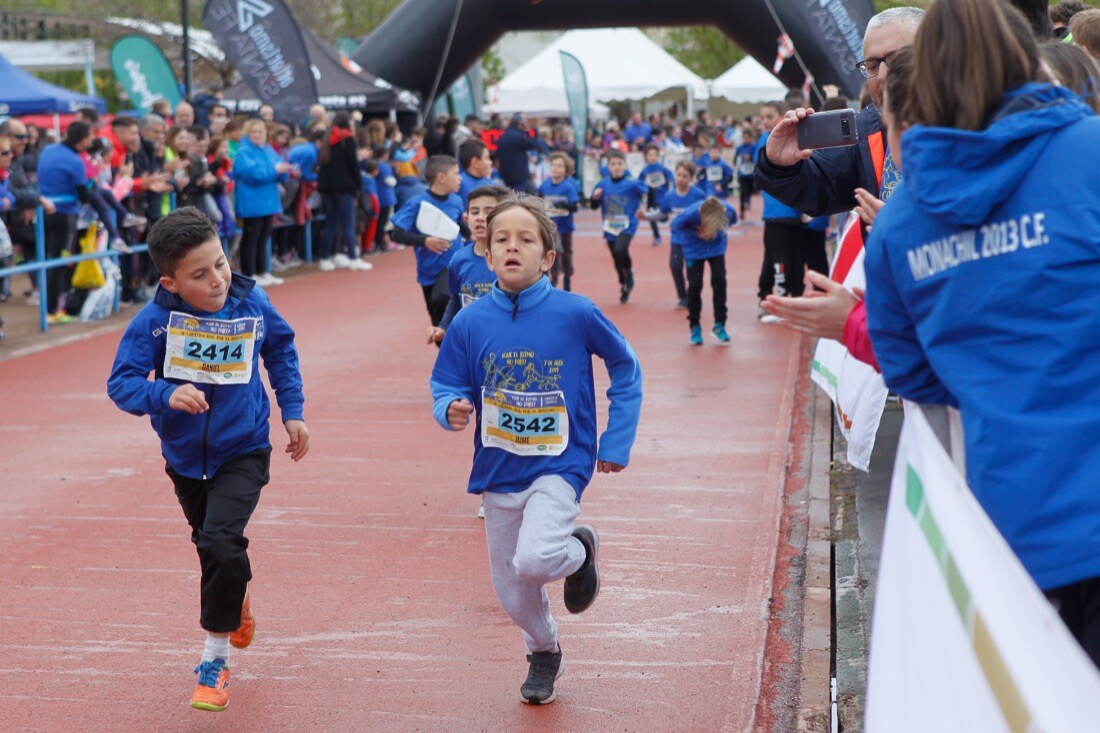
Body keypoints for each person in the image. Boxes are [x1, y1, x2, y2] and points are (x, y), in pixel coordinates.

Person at [862, 0, 1100, 667]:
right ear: (1022, 57)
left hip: (1016, 529)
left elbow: (910, 374)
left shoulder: (900, 223)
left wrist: (992, 371)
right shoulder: (1089, 153)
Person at [429, 194, 642, 705]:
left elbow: (626, 369)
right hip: (499, 468)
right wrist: (451, 408)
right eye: (501, 238)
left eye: (526, 239)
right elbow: (445, 384)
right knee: (512, 588)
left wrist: (616, 440)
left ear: (548, 257)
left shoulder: (577, 313)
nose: (512, 247)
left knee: (537, 557)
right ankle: (544, 651)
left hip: (561, 463)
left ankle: (578, 550)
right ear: (486, 253)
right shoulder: (470, 321)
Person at [107, 206, 309, 712]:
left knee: (220, 539)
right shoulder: (154, 323)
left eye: (220, 263)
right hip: (184, 458)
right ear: (170, 282)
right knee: (212, 547)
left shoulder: (252, 300)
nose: (218, 279)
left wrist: (294, 412)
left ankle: (214, 661)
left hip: (244, 448)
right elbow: (121, 385)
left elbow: (281, 351)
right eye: (200, 274)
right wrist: (165, 395)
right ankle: (234, 597)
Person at [754, 7, 925, 217]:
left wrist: (904, 224)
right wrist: (779, 166)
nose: (882, 75)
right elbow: (818, 188)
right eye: (871, 66)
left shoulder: (971, 121)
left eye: (896, 59)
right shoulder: (864, 130)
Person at [428, 184, 510, 350]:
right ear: (466, 219)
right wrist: (443, 327)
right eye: (475, 212)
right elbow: (456, 300)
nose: (480, 217)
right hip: (472, 342)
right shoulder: (459, 259)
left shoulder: (513, 257)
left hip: (506, 343)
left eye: (488, 211)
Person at [390, 155, 465, 327]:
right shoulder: (417, 203)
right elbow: (396, 234)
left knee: (443, 298)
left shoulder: (457, 200)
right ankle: (444, 346)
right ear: (441, 177)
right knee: (435, 310)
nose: (460, 177)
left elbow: (462, 227)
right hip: (429, 267)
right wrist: (425, 241)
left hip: (452, 263)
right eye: (456, 173)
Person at [37, 120, 93, 323]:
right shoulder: (75, 160)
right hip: (64, 215)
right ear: (84, 139)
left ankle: (50, 308)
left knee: (50, 260)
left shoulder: (48, 150)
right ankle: (52, 311)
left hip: (44, 212)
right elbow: (84, 194)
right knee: (59, 262)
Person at [232, 119, 294, 286]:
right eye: (254, 132)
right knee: (251, 238)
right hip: (252, 202)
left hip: (268, 201)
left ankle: (263, 271)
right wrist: (275, 171)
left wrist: (283, 170)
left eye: (260, 132)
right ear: (248, 134)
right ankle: (249, 274)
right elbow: (253, 174)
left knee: (263, 237)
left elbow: (277, 169)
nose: (257, 135)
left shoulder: (267, 150)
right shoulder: (244, 151)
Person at [672, 197, 737, 345]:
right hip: (694, 249)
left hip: (715, 248)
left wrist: (717, 232)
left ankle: (720, 324)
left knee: (719, 281)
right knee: (695, 286)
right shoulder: (690, 214)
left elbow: (732, 222)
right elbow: (675, 225)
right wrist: (697, 231)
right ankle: (694, 325)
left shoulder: (728, 211)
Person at [590, 149, 649, 304]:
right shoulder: (603, 184)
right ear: (608, 167)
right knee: (616, 259)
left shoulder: (632, 184)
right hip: (610, 226)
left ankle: (629, 273)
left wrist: (651, 204)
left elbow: (650, 191)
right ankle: (623, 284)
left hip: (628, 225)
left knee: (620, 249)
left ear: (625, 166)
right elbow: (593, 206)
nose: (616, 167)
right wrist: (595, 198)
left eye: (619, 164)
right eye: (613, 164)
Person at [316, 113, 372, 272]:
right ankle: (354, 257)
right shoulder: (348, 140)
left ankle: (326, 257)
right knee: (348, 223)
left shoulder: (327, 140)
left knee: (331, 223)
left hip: (328, 189)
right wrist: (358, 186)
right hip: (345, 187)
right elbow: (353, 166)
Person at [658, 160, 707, 309]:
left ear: (691, 178)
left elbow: (706, 214)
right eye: (678, 175)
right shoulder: (670, 196)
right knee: (675, 266)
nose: (680, 179)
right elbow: (662, 213)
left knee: (694, 272)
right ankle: (683, 297)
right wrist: (646, 216)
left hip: (694, 240)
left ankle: (693, 295)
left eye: (684, 176)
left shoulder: (698, 195)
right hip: (677, 240)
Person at [538, 153, 581, 291]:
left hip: (565, 226)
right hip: (551, 226)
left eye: (560, 166)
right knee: (555, 249)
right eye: (554, 165)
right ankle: (554, 278)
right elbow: (538, 201)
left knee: (567, 253)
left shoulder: (568, 186)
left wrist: (561, 205)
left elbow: (574, 207)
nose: (556, 168)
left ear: (566, 170)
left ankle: (567, 278)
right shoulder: (544, 186)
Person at [497, 113, 543, 193]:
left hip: (507, 177)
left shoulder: (504, 135)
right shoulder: (517, 136)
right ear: (520, 124)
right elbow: (533, 144)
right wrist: (531, 130)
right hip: (520, 178)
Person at [639, 144, 673, 246]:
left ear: (657, 156)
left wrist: (672, 188)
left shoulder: (662, 168)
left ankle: (664, 216)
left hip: (663, 196)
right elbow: (639, 183)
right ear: (646, 157)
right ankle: (657, 236)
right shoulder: (645, 170)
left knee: (663, 217)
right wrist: (643, 190)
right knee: (650, 217)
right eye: (650, 155)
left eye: (654, 155)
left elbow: (671, 176)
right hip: (651, 197)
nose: (652, 157)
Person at [372, 146, 397, 253]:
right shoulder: (384, 166)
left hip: (378, 195)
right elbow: (389, 181)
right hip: (386, 196)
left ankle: (380, 242)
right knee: (384, 222)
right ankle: (381, 243)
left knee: (380, 222)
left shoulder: (375, 164)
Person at [458, 140, 494, 204]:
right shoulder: (459, 184)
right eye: (487, 158)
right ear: (475, 162)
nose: (491, 162)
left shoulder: (490, 183)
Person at [734, 130, 757, 219]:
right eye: (744, 138)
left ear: (750, 138)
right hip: (742, 173)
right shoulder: (740, 147)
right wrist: (735, 164)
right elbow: (736, 157)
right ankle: (742, 210)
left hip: (751, 173)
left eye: (747, 138)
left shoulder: (753, 147)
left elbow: (756, 156)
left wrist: (750, 157)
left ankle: (748, 200)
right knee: (743, 191)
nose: (745, 139)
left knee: (750, 190)